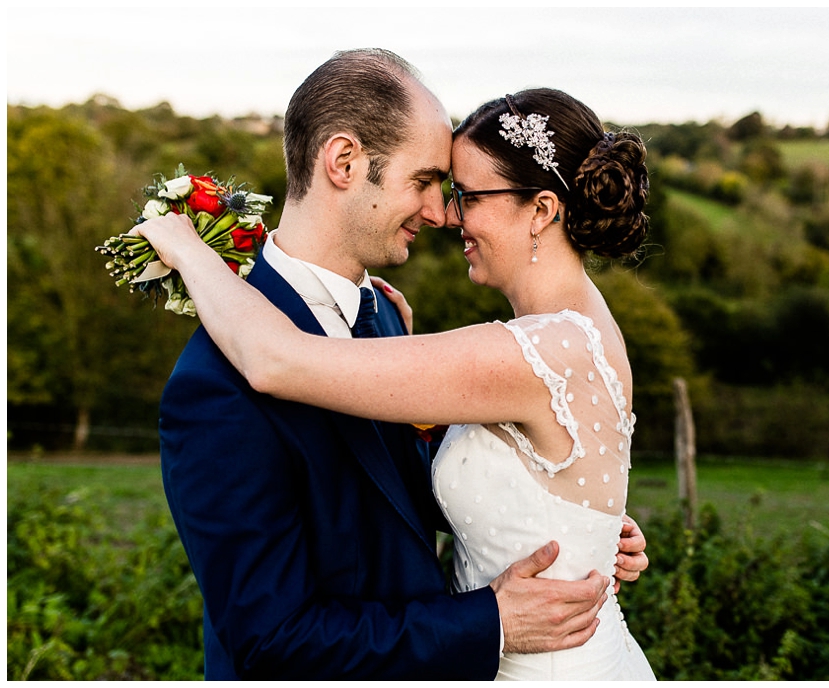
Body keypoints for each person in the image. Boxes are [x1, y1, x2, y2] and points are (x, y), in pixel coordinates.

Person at [155, 49, 648, 680]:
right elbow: (268, 642)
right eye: (427, 184)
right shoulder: (211, 388)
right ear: (344, 163)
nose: (443, 214)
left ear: (543, 210)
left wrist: (579, 523)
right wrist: (526, 565)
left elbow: (390, 484)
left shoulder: (390, 319)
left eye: (461, 194)